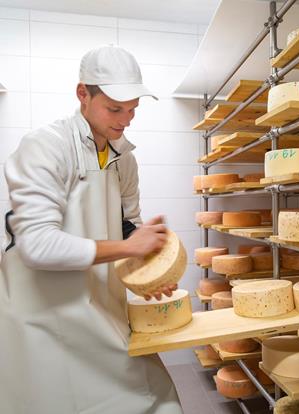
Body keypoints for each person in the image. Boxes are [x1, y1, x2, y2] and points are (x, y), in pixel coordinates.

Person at [0, 45, 183, 414]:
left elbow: (126, 226)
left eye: (132, 109)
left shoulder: (124, 159)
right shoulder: (45, 147)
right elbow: (37, 246)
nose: (125, 119)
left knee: (156, 400)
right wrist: (130, 248)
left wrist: (148, 267)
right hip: (43, 313)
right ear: (83, 93)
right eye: (115, 109)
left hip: (99, 305)